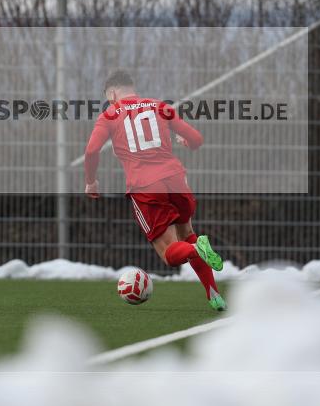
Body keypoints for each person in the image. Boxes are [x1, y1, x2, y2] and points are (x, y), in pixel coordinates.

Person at [84, 70, 226, 311]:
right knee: (187, 232)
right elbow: (197, 139)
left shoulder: (109, 115)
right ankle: (213, 294)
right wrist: (187, 144)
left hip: (146, 186)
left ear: (112, 93)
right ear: (132, 87)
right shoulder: (159, 106)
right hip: (176, 178)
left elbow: (91, 151)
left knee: (170, 253)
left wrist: (91, 181)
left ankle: (196, 248)